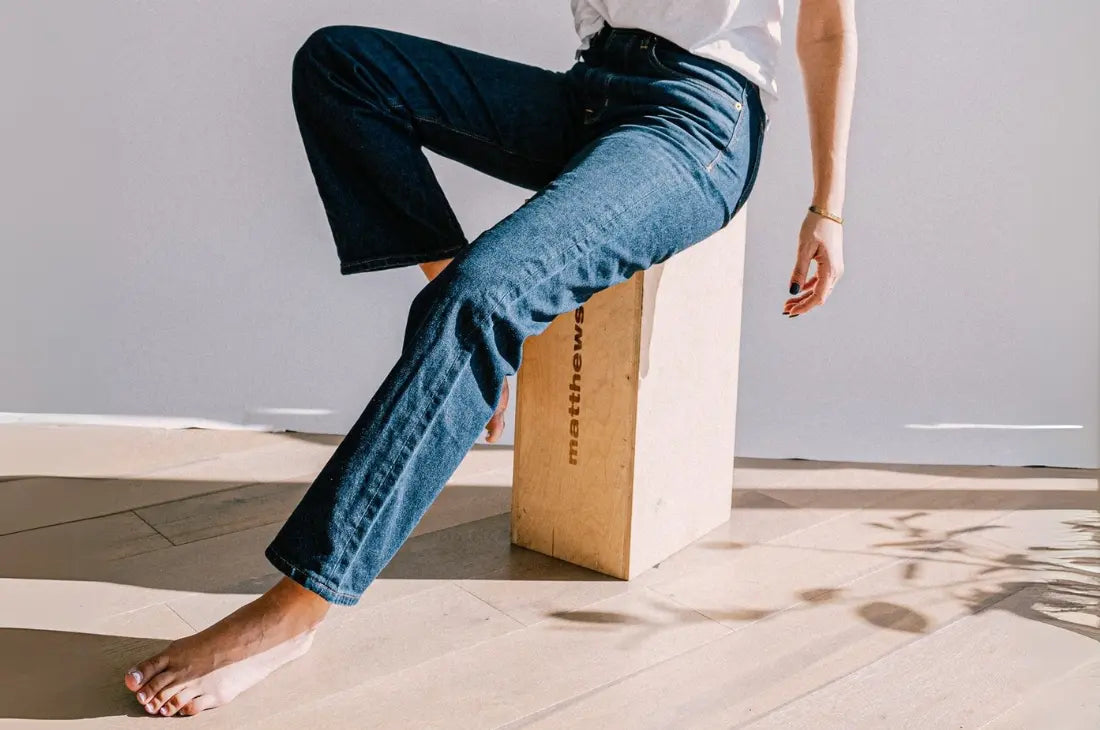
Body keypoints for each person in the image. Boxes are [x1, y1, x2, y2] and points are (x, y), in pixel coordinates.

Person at [122, 0, 856, 716]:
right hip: (592, 89)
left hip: (697, 119)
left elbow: (825, 29)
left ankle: (293, 611)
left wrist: (827, 208)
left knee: (485, 299)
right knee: (340, 63)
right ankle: (464, 317)